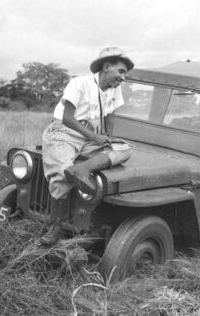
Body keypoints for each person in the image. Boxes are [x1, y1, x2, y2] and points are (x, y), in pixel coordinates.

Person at [40, 47, 135, 246]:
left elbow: (109, 115)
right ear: (107, 66)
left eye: (125, 73)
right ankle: (55, 227)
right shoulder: (79, 83)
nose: (123, 77)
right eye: (121, 71)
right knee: (61, 174)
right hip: (64, 132)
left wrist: (108, 139)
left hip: (89, 139)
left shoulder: (114, 89)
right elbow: (67, 118)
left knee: (124, 149)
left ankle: (83, 169)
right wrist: (94, 136)